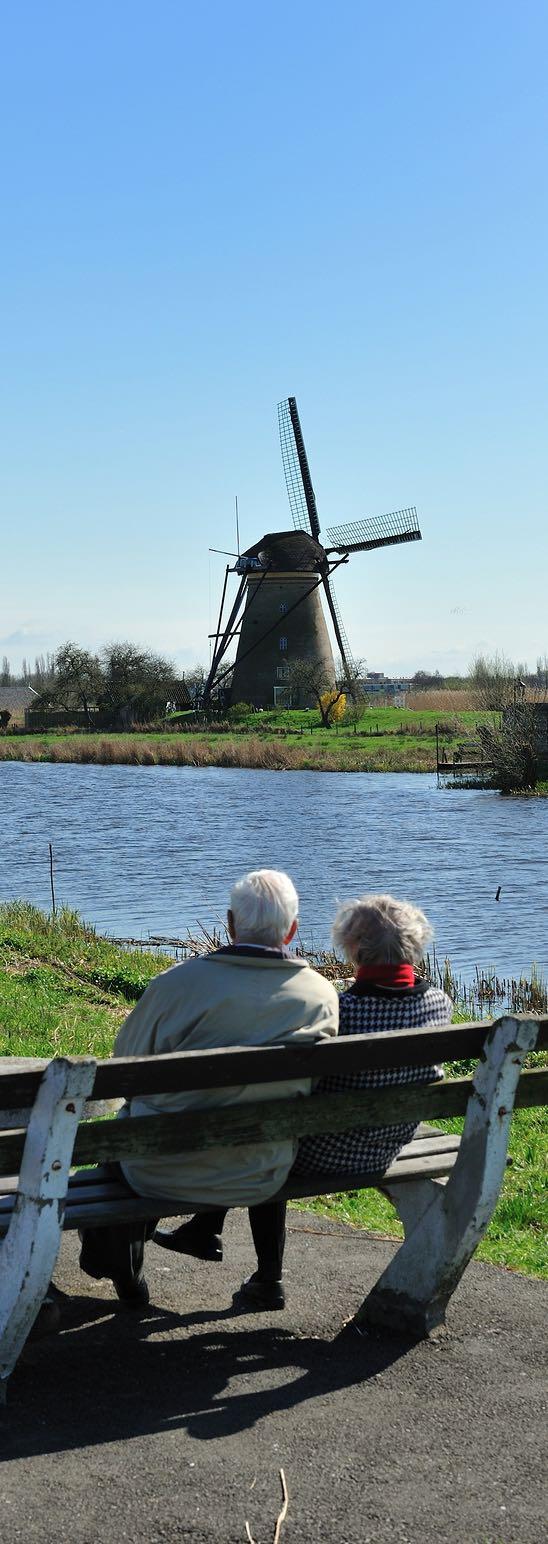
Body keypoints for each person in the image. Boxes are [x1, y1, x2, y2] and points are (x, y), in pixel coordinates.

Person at [79, 869, 338, 1311]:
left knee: (117, 1155)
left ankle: (125, 1266)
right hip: (263, 1168)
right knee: (264, 1116)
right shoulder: (321, 995)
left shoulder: (177, 985)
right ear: (293, 930)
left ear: (230, 924)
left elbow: (124, 1062)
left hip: (160, 1170)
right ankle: (267, 1277)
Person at [291, 893, 452, 1179]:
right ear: (414, 946)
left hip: (321, 1152)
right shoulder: (440, 1003)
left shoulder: (341, 1010)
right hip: (391, 1145)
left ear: (354, 948)